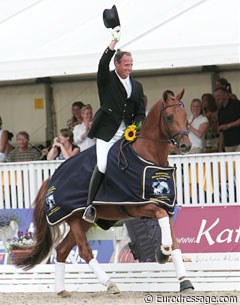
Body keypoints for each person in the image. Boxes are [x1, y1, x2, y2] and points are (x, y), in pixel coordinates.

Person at [82, 25, 146, 223]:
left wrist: (135, 126)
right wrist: (113, 42)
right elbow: (102, 63)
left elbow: (140, 113)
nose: (129, 68)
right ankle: (90, 206)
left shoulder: (136, 86)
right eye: (126, 64)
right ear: (117, 64)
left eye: (131, 64)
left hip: (128, 133)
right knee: (102, 164)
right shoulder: (107, 79)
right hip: (108, 133)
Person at [215, 86, 240, 152]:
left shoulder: (236, 104)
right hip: (227, 144)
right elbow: (221, 131)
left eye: (219, 95)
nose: (217, 98)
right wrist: (220, 147)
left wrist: (228, 126)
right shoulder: (220, 111)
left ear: (226, 94)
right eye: (216, 96)